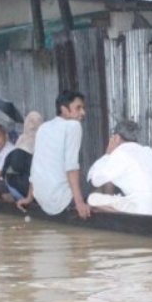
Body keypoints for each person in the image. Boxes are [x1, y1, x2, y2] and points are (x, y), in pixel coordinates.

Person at [16, 90, 91, 218]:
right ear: (64, 109)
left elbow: (36, 165)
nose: (83, 112)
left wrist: (29, 197)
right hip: (60, 202)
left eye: (83, 108)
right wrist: (79, 203)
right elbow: (71, 167)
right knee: (94, 181)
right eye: (78, 108)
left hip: (42, 199)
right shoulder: (73, 126)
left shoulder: (44, 127)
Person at [86, 120, 152, 216]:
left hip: (145, 211)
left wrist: (107, 154)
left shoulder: (119, 153)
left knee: (91, 199)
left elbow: (95, 180)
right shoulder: (148, 151)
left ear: (117, 138)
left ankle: (118, 217)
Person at [0, 111, 44, 200]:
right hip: (42, 188)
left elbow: (16, 166)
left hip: (26, 187)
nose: (32, 126)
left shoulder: (23, 141)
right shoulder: (45, 140)